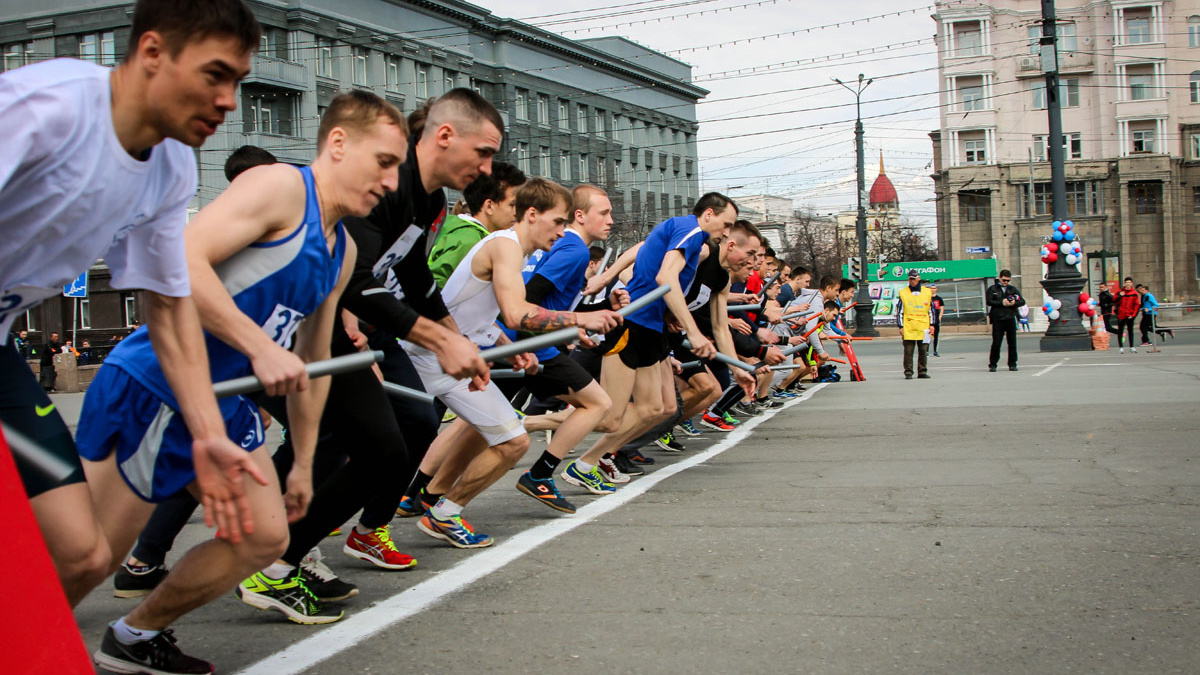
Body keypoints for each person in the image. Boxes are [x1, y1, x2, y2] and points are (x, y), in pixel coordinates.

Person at [78, 89, 404, 670]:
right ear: (337, 143)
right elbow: (178, 260)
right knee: (90, 558)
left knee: (265, 538)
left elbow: (310, 363)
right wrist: (257, 345)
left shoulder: (342, 249)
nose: (391, 181)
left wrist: (303, 460)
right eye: (384, 161)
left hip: (224, 406)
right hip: (156, 387)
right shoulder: (279, 186)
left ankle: (133, 636)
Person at [0, 0, 265, 633]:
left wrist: (207, 433)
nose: (229, 100)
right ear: (152, 53)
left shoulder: (171, 166)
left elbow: (169, 307)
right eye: (215, 74)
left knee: (82, 554)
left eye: (238, 83)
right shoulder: (50, 110)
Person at [406, 177, 620, 546]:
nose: (562, 231)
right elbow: (519, 313)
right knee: (376, 448)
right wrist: (581, 320)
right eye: (558, 221)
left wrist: (511, 345)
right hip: (432, 355)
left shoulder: (513, 249)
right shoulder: (505, 245)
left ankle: (442, 512)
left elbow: (488, 315)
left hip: (459, 356)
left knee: (511, 441)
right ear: (532, 214)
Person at [562, 193, 736, 494]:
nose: (727, 232)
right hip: (635, 323)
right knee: (610, 417)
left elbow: (645, 251)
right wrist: (693, 333)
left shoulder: (698, 245)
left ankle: (587, 463)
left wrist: (669, 314)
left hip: (654, 326)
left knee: (660, 408)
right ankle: (528, 425)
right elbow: (665, 277)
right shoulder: (692, 232)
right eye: (727, 224)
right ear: (709, 214)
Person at [427, 161, 526, 287]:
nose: (517, 212)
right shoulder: (469, 241)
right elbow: (436, 286)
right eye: (512, 205)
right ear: (489, 206)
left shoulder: (459, 229)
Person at [893, 270, 933, 379]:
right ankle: (908, 372)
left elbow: (931, 310)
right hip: (909, 326)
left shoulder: (927, 292)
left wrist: (932, 324)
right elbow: (900, 311)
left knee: (923, 351)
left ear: (918, 278)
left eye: (914, 279)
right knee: (908, 351)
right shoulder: (904, 293)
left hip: (923, 326)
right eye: (910, 279)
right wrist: (900, 326)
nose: (912, 281)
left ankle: (922, 371)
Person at [986, 270, 1024, 372]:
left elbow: (1022, 301)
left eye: (1008, 280)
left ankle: (1012, 363)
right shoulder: (993, 289)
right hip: (998, 318)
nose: (1005, 282)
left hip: (1010, 317)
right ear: (999, 278)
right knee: (996, 342)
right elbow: (989, 301)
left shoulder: (1012, 289)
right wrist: (1002, 302)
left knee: (1012, 342)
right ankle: (993, 364)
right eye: (1004, 280)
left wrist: (1013, 303)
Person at [1114, 277, 1140, 354]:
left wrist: (1133, 315)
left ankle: (1131, 347)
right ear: (1124, 283)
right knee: (1120, 331)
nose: (1128, 284)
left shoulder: (1134, 293)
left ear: (1131, 283)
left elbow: (1136, 305)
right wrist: (1119, 295)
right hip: (1121, 314)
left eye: (1129, 282)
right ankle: (1121, 347)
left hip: (1129, 314)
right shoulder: (1120, 291)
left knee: (1130, 331)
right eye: (1126, 282)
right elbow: (1115, 301)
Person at [928, 283, 945, 354]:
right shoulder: (928, 298)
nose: (933, 290)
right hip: (929, 320)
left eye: (934, 288)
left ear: (936, 289)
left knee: (936, 336)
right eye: (932, 288)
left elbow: (942, 308)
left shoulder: (939, 298)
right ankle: (926, 351)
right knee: (927, 336)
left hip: (936, 320)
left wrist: (939, 317)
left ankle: (935, 351)